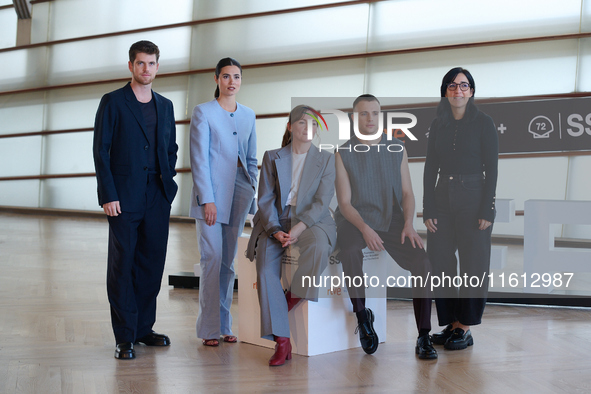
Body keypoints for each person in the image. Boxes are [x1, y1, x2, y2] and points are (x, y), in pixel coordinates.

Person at [93, 40, 178, 360]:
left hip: (157, 194)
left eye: (152, 63)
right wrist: (108, 194)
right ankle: (125, 335)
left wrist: (167, 183)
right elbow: (101, 150)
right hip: (123, 197)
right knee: (122, 264)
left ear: (158, 66)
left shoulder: (166, 105)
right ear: (131, 66)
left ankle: (144, 328)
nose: (146, 69)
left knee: (151, 262)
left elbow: (170, 148)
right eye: (141, 63)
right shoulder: (113, 102)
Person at [334, 94, 436, 359]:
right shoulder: (343, 152)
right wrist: (365, 228)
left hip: (390, 218)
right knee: (349, 251)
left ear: (381, 115)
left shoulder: (397, 148)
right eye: (364, 114)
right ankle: (363, 317)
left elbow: (407, 194)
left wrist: (408, 224)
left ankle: (424, 335)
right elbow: (345, 203)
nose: (370, 119)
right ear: (354, 118)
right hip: (354, 219)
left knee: (422, 263)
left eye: (375, 113)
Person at [246, 105, 337, 366]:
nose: (307, 128)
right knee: (265, 271)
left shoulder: (327, 159)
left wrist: (298, 229)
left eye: (313, 124)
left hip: (311, 220)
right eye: (301, 123)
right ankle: (282, 342)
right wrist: (275, 230)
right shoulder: (273, 156)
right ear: (290, 127)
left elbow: (321, 202)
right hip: (274, 219)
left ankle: (285, 302)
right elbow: (264, 199)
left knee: (319, 247)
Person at [423, 67, 498, 350]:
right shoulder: (438, 124)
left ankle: (465, 327)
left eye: (464, 85)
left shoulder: (484, 123)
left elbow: (491, 169)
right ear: (445, 91)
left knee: (473, 264)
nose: (458, 90)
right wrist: (428, 207)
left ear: (472, 91)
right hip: (442, 196)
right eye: (452, 86)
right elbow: (431, 168)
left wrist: (487, 209)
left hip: (473, 194)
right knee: (440, 261)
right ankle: (451, 323)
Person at [189, 57, 257, 347]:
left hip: (240, 193)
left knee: (228, 262)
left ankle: (225, 324)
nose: (232, 82)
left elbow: (252, 158)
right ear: (216, 79)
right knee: (212, 258)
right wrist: (207, 200)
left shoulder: (249, 115)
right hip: (212, 199)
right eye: (227, 76)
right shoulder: (203, 112)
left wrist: (252, 191)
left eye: (237, 77)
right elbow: (199, 159)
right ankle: (208, 329)